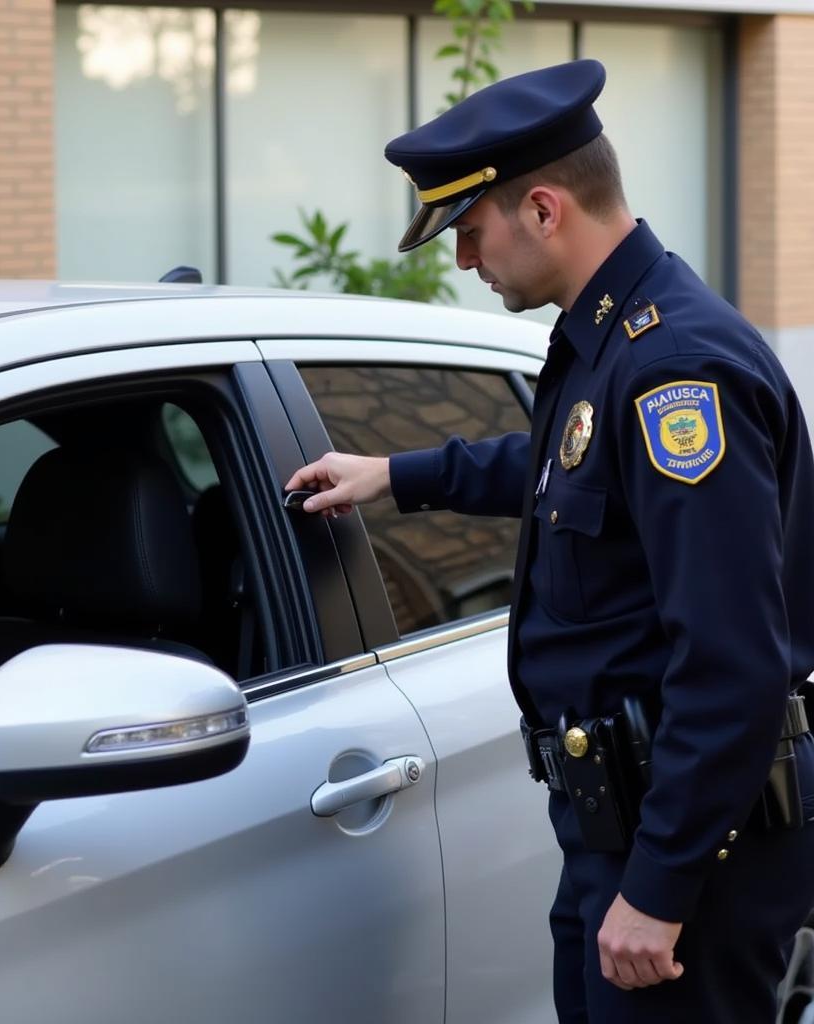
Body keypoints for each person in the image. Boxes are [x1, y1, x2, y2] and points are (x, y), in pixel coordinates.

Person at [285, 58, 814, 1023]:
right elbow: (567, 466)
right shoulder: (609, 340)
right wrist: (397, 476)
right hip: (621, 832)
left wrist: (658, 890)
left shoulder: (675, 370)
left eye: (469, 231)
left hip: (692, 858)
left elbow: (735, 665)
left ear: (542, 210)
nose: (463, 260)